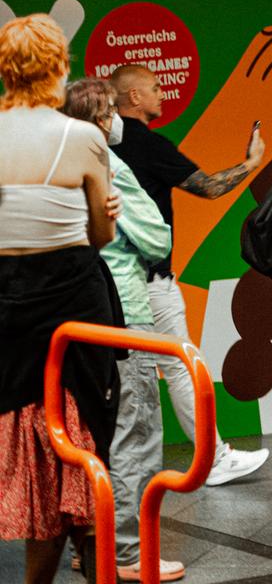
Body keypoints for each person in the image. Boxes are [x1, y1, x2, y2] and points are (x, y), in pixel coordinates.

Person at [108, 63, 271, 486]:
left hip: (115, 282)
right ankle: (212, 458)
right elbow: (210, 186)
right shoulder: (147, 144)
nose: (163, 94)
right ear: (134, 99)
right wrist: (251, 162)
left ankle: (131, 472)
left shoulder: (100, 148)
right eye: (155, 88)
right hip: (152, 284)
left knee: (136, 378)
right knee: (181, 366)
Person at [0, 14, 120, 584]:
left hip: (8, 311)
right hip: (76, 306)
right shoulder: (84, 137)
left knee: (29, 450)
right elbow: (101, 236)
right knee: (86, 446)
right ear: (58, 67)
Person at [62, 80, 180, 583]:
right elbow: (156, 237)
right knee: (136, 432)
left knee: (90, 436)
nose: (117, 121)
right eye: (110, 111)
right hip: (126, 310)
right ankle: (127, 553)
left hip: (76, 316)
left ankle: (88, 545)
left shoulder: (57, 167)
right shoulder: (112, 166)